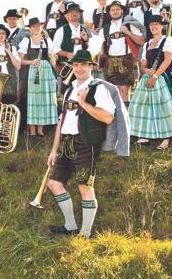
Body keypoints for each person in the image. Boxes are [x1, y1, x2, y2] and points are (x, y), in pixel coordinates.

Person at [46, 50, 116, 239]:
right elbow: (61, 121)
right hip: (67, 143)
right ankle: (70, 226)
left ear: (91, 67)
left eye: (83, 64)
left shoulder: (98, 88)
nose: (79, 68)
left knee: (85, 186)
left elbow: (108, 117)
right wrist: (54, 150)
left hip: (86, 143)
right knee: (54, 183)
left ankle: (85, 234)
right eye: (76, 65)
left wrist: (83, 103)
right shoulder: (69, 88)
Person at [129, 15, 172, 150]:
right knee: (140, 106)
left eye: (156, 24)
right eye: (151, 25)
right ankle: (144, 134)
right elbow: (143, 64)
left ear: (162, 26)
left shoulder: (167, 40)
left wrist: (156, 76)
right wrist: (145, 70)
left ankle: (166, 139)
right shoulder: (148, 43)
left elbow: (167, 60)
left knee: (164, 108)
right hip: (148, 77)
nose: (153, 27)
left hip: (162, 78)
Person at [98, 0, 145, 105]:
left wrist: (127, 32)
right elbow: (101, 49)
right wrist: (100, 63)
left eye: (117, 9)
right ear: (109, 12)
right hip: (109, 60)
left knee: (124, 89)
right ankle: (114, 117)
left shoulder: (129, 25)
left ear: (122, 11)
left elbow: (142, 41)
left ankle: (126, 117)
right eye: (112, 10)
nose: (115, 11)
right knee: (111, 91)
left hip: (126, 59)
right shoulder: (104, 29)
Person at [18, 18, 58, 137]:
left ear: (41, 27)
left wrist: (53, 74)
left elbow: (52, 59)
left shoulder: (47, 40)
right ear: (30, 28)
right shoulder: (26, 40)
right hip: (32, 72)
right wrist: (31, 62)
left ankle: (40, 129)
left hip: (46, 72)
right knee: (33, 100)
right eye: (33, 26)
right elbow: (19, 60)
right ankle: (32, 130)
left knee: (44, 100)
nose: (36, 28)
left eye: (38, 26)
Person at [5, 8, 31, 130]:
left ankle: (20, 126)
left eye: (14, 18)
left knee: (19, 95)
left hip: (18, 68)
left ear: (17, 19)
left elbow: (22, 53)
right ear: (6, 20)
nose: (12, 20)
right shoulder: (2, 32)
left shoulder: (23, 32)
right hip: (4, 67)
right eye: (9, 19)